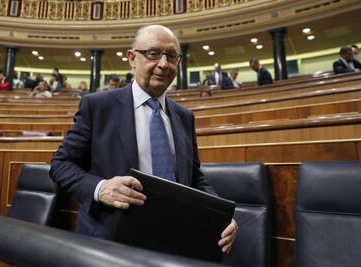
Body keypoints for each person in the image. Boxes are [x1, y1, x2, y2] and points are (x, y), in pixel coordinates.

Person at [49, 24, 237, 254]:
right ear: (132, 58)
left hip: (175, 241)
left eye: (171, 56)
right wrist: (101, 188)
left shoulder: (185, 117)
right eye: (153, 53)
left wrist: (220, 215)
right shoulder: (98, 106)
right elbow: (61, 165)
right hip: (109, 242)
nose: (163, 64)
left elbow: (194, 177)